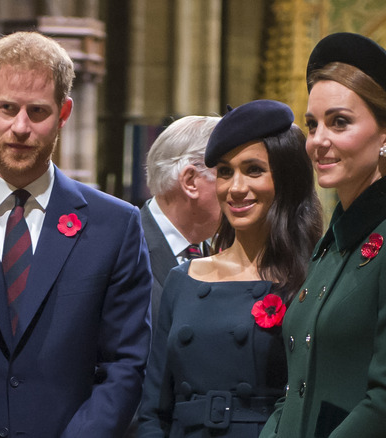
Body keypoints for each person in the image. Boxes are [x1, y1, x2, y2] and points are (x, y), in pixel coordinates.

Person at [0, 31, 153, 437]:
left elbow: (126, 365)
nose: (20, 127)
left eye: (37, 111)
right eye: (7, 108)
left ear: (64, 112)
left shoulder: (115, 226)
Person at [261, 32, 386, 438]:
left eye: (339, 122)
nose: (318, 141)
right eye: (313, 125)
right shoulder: (330, 243)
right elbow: (293, 389)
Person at [137, 99, 322, 437]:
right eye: (224, 171)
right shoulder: (184, 279)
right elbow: (152, 409)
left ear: (287, 179)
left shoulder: (314, 276)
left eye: (253, 170)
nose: (235, 188)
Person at [142, 116, 222, 326]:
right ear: (191, 181)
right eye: (227, 173)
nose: (239, 188)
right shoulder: (124, 247)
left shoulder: (221, 251)